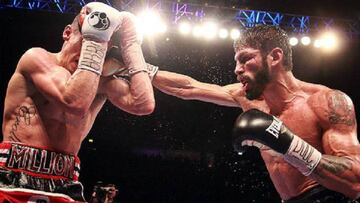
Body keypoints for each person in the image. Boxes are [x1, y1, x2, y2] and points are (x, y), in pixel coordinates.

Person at [151, 25, 360, 202]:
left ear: (275, 57)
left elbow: (355, 180)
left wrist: (290, 145)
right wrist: (136, 68)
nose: (237, 69)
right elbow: (188, 88)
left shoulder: (327, 101)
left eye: (245, 59)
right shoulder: (245, 97)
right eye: (236, 61)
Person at [0, 2, 154, 202]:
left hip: (66, 183)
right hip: (14, 179)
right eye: (86, 40)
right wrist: (96, 40)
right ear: (66, 33)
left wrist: (132, 46)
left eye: (101, 47)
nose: (91, 50)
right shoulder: (36, 58)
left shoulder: (99, 81)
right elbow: (74, 101)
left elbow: (143, 104)